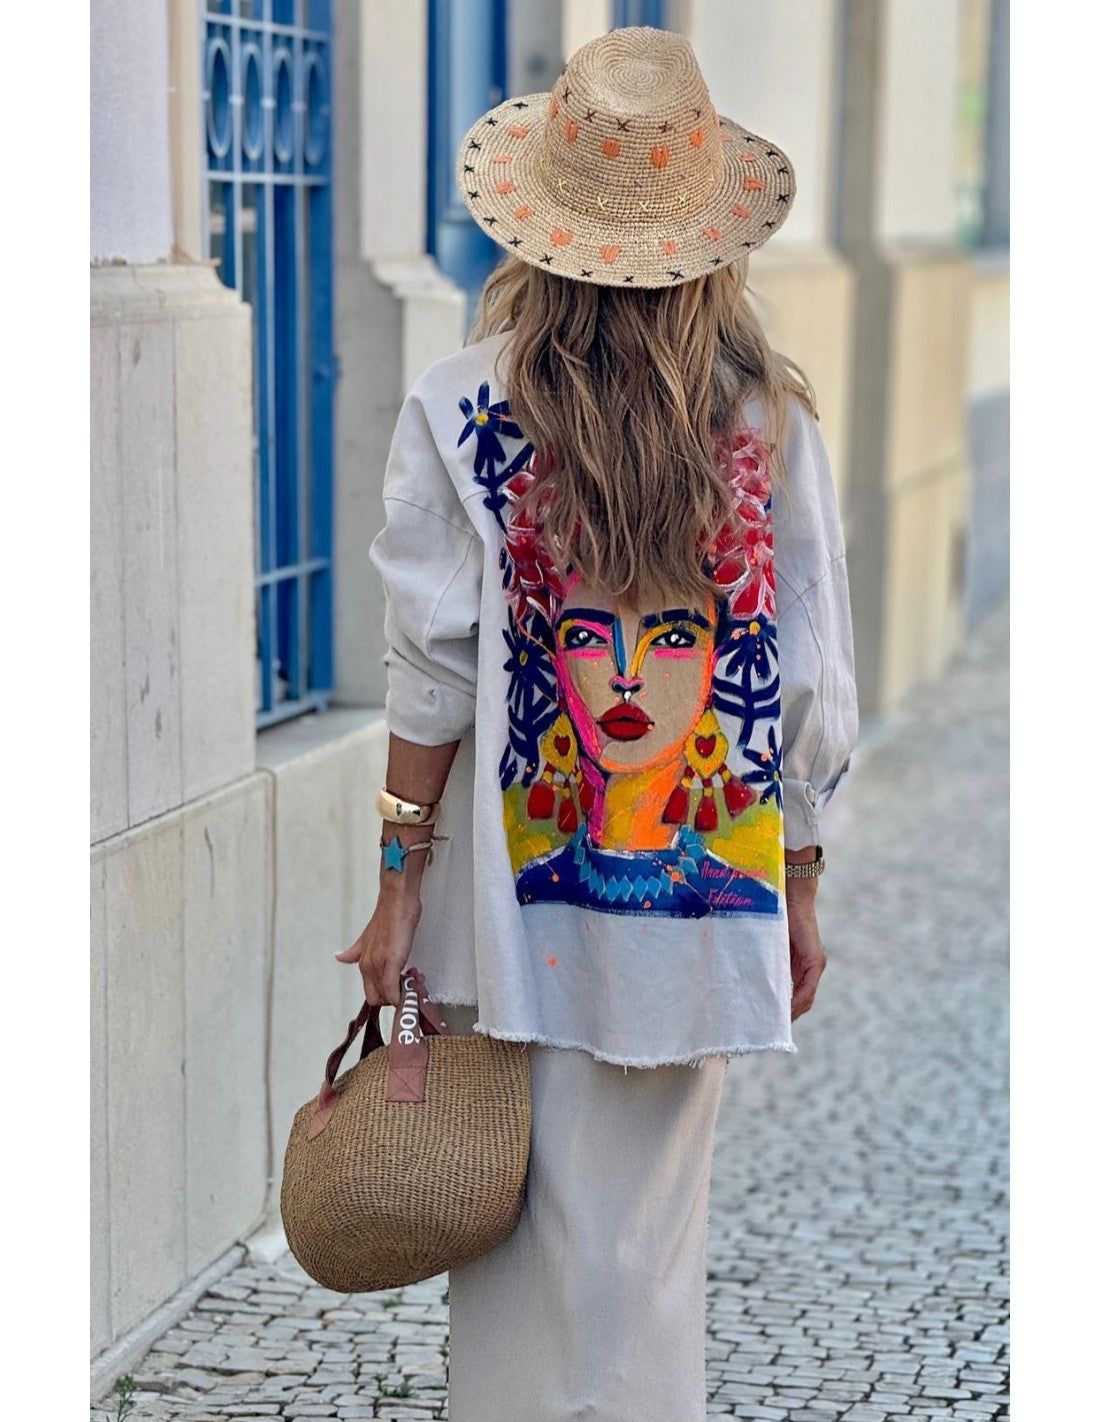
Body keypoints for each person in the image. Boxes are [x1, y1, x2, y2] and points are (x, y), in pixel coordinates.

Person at [337, 26, 858, 1422]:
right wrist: (798, 883)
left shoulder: (460, 407)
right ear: (709, 236)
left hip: (504, 894)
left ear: (542, 224)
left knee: (511, 1242)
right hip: (703, 893)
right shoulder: (768, 418)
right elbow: (807, 679)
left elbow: (429, 674)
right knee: (648, 1248)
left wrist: (397, 890)